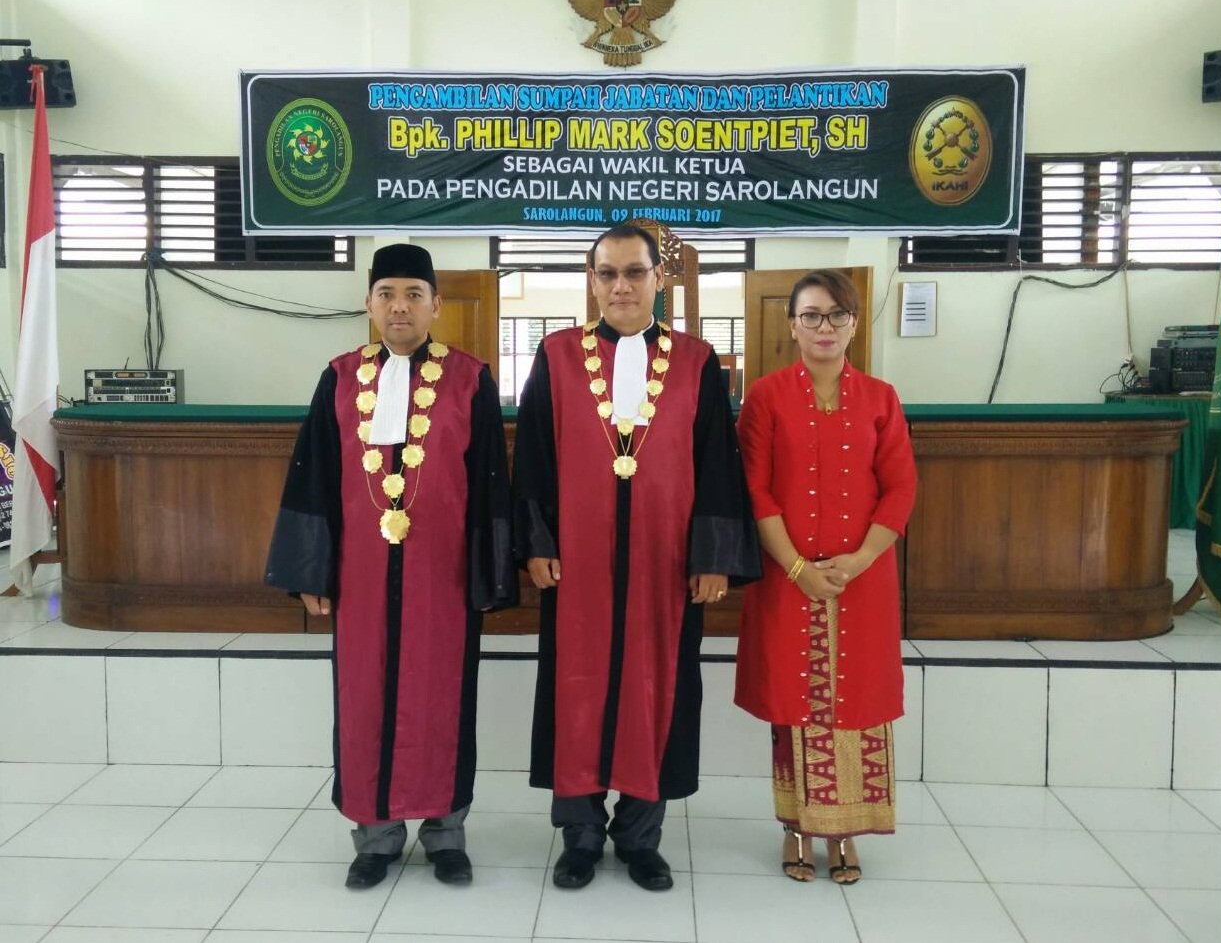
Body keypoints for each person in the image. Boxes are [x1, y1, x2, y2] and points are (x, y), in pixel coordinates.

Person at [512, 221, 760, 891]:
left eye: (634, 272)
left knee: (659, 692)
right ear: (592, 281)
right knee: (577, 692)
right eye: (608, 273)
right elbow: (532, 456)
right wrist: (536, 543)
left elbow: (717, 462)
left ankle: (640, 837)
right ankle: (580, 836)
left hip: (666, 564)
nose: (620, 286)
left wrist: (712, 555)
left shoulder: (697, 360)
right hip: (577, 563)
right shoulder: (557, 354)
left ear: (658, 279)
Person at [265, 243, 515, 890]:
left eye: (412, 294)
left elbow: (491, 481)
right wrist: (312, 572)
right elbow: (314, 479)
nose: (399, 306)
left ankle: (445, 834)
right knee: (365, 700)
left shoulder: (470, 379)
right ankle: (374, 837)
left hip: (445, 579)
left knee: (443, 700)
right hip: (362, 578)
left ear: (436, 304)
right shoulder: (341, 378)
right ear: (369, 304)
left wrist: (490, 570)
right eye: (386, 294)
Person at [733, 269, 917, 885]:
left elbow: (900, 487)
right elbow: (756, 490)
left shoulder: (881, 398)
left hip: (862, 582)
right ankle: (796, 828)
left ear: (854, 324)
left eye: (837, 314)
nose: (824, 326)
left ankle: (846, 835)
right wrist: (796, 569)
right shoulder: (766, 397)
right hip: (787, 580)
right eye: (811, 315)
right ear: (792, 325)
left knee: (859, 703)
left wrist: (859, 561)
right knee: (795, 704)